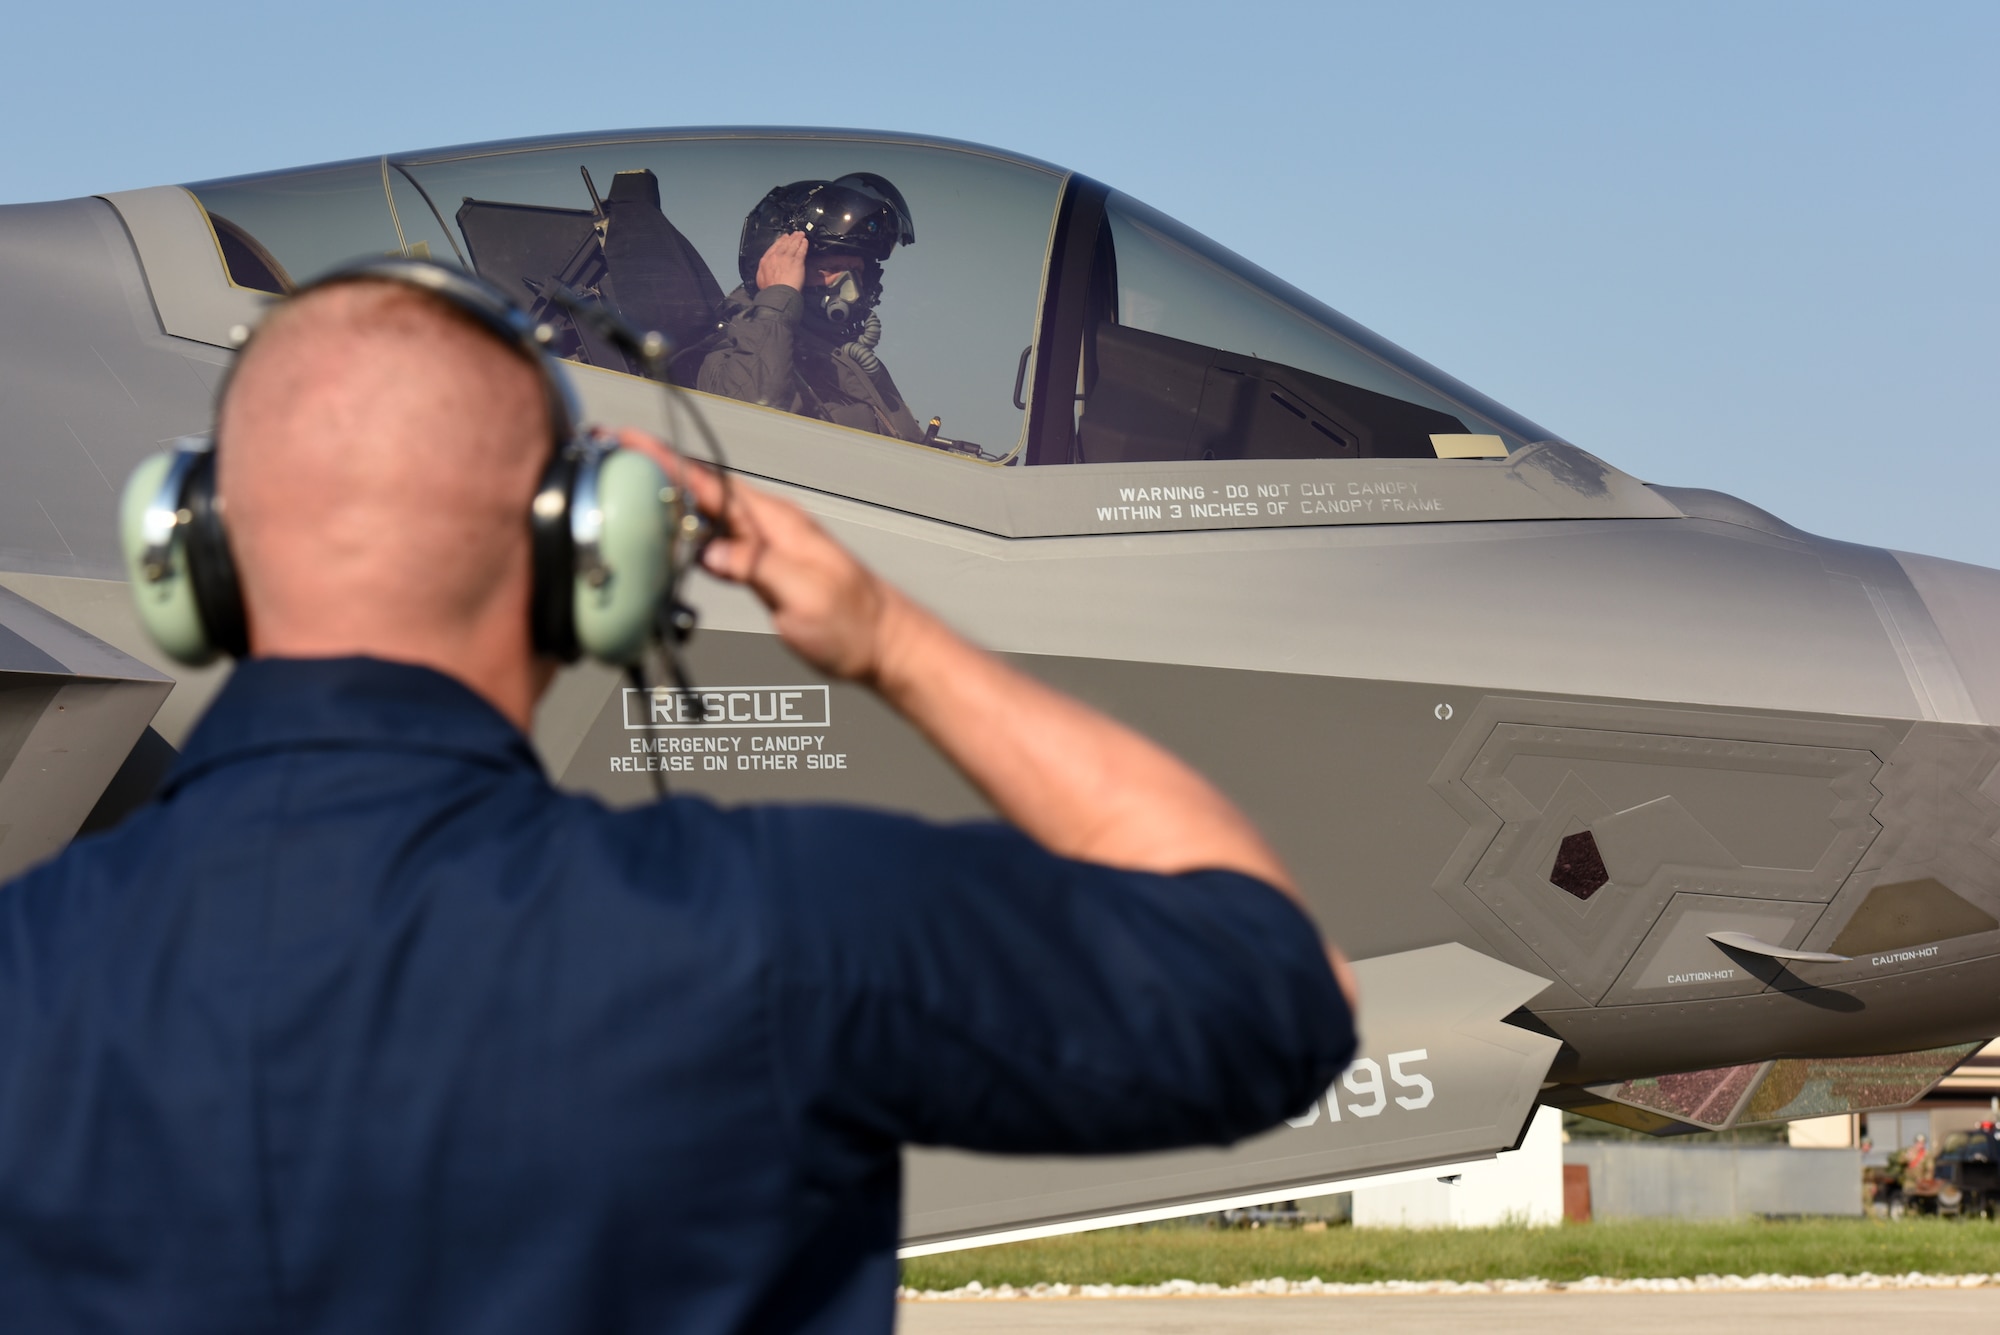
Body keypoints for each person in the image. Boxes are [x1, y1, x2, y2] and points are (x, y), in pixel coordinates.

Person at [0, 265, 1356, 1332]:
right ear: (594, 552)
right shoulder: (778, 929)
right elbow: (1270, 991)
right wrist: (890, 637)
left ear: (187, 550)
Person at [698, 175, 926, 442]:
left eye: (857, 271)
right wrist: (777, 299)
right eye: (829, 269)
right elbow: (746, 431)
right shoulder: (731, 348)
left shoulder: (840, 358)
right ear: (780, 266)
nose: (850, 287)